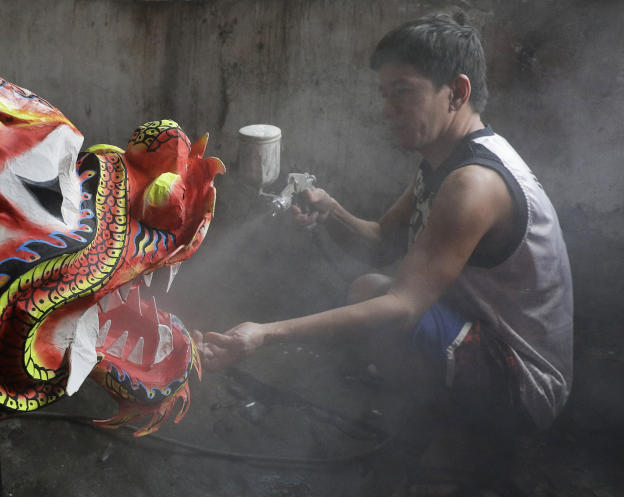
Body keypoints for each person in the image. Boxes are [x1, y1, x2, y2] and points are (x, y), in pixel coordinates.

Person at [201, 14, 573, 439]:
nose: (387, 111)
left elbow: (402, 306)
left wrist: (267, 333)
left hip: (522, 386)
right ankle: (420, 405)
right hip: (482, 338)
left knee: (377, 299)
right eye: (385, 95)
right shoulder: (445, 159)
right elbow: (382, 239)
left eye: (404, 94)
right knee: (371, 287)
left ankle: (453, 439)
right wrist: (331, 210)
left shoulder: (473, 184)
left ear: (458, 92)